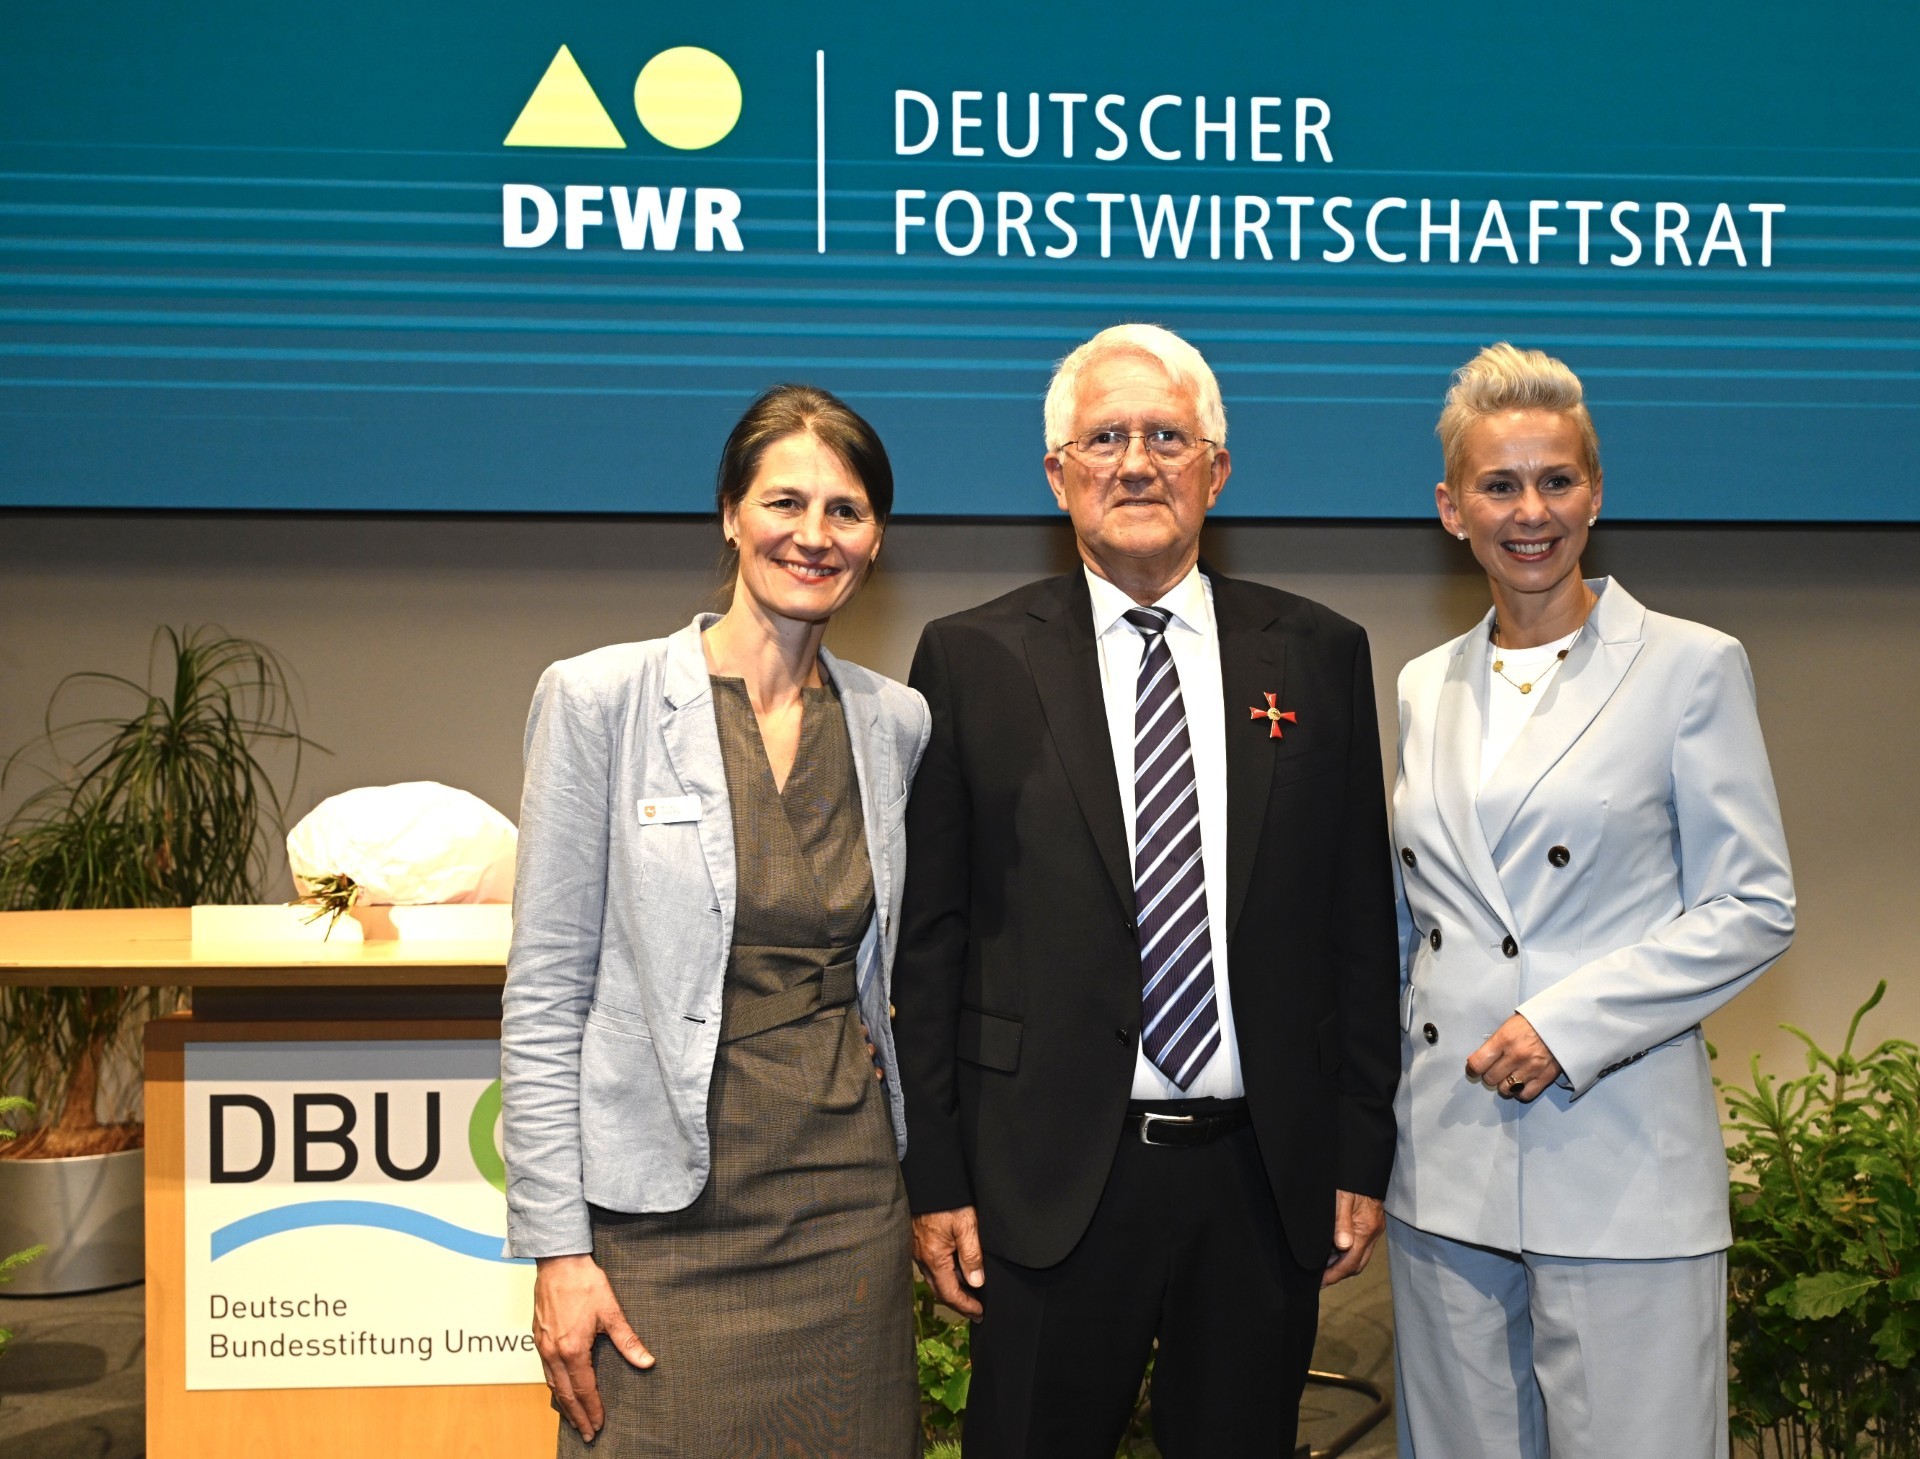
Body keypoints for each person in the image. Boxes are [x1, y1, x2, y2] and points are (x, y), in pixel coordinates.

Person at [891, 323, 1402, 1457]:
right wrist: (936, 1177)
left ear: (1215, 469)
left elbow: (1361, 925)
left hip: (1260, 1178)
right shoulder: (970, 659)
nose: (1136, 462)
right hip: (1048, 1177)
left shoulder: (1317, 652)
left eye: (1166, 436)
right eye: (1106, 437)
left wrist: (1360, 1152)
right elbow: (929, 949)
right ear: (1057, 472)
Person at [500, 384, 931, 1457]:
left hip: (843, 1203)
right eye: (786, 501)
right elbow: (548, 989)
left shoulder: (894, 722)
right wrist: (559, 1249)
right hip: (657, 1223)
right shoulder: (601, 699)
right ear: (731, 513)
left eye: (846, 510)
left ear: (876, 538)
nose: (814, 535)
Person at [1386, 342, 1797, 1458]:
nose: (1532, 511)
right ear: (1450, 507)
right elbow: (1414, 921)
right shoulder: (1425, 685)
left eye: (1556, 480)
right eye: (1499, 484)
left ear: (1596, 493)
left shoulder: (1690, 666)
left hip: (1615, 1152)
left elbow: (1754, 904)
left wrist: (1567, 1026)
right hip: (1446, 1158)